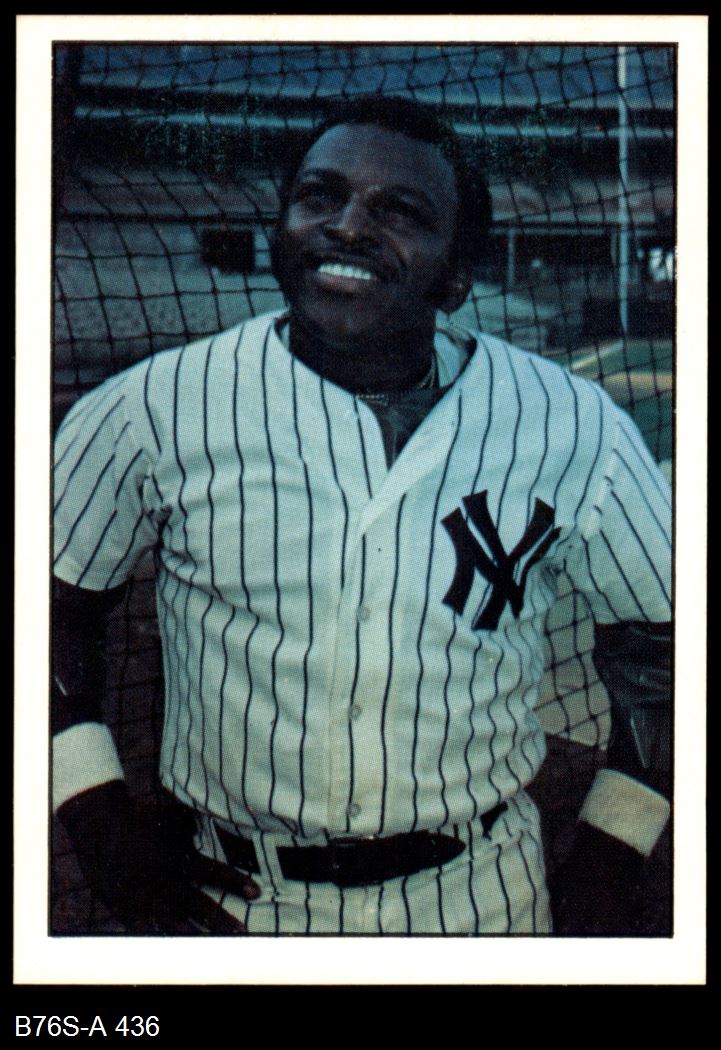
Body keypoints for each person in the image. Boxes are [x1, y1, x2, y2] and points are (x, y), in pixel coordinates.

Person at [52, 95, 671, 936]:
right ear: (280, 227)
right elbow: (49, 615)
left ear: (456, 275)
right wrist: (95, 815)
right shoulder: (152, 407)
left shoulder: (576, 426)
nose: (346, 227)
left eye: (399, 211)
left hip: (481, 897)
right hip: (233, 904)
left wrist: (611, 853)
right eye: (320, 196)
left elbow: (664, 652)